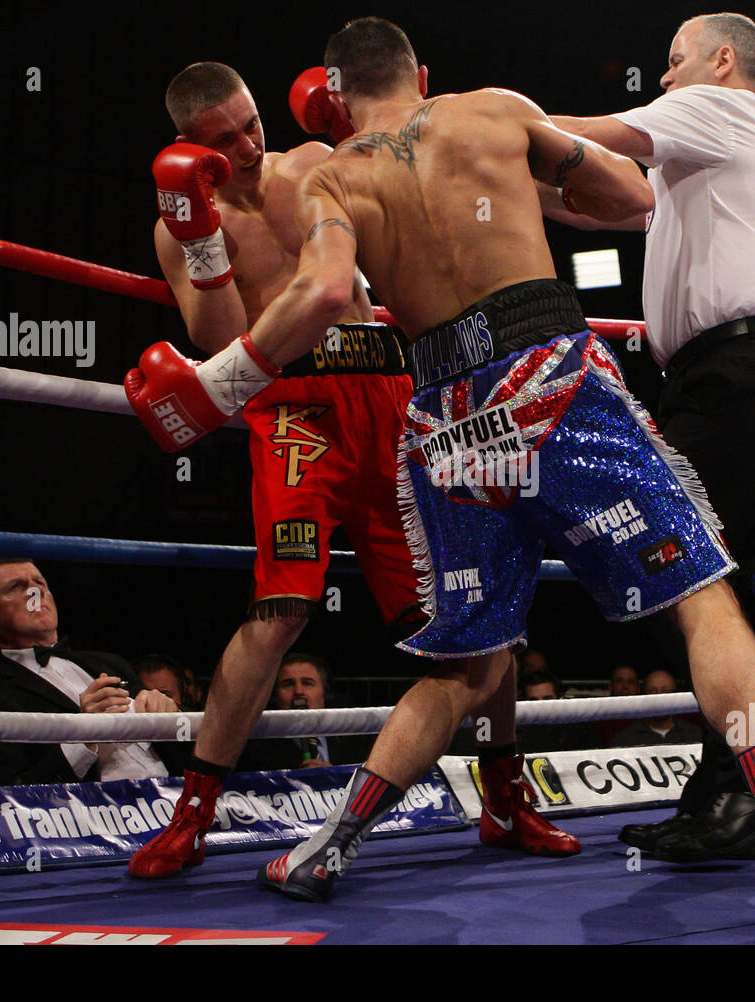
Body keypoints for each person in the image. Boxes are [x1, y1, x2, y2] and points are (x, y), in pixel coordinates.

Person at [128, 17, 755, 928]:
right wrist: (524, 173)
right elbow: (631, 200)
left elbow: (322, 294)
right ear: (422, 72)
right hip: (550, 376)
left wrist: (213, 391)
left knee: (464, 660)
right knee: (701, 591)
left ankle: (327, 847)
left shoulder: (331, 174)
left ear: (332, 97)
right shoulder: (492, 112)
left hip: (442, 415)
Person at [127, 61, 577, 878]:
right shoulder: (180, 224)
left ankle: (505, 799)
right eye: (223, 141)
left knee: (470, 613)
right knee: (281, 612)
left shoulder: (312, 165)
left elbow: (412, 217)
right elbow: (219, 340)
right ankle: (191, 816)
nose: (248, 146)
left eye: (251, 123)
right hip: (295, 416)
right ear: (190, 146)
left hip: (392, 397)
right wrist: (201, 235)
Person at [545, 12, 755, 865]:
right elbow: (595, 199)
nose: (664, 80)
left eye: (674, 63)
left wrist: (467, 122)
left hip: (742, 383)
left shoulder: (726, 111)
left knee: (683, 583)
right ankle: (721, 795)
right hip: (729, 385)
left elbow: (587, 136)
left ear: (722, 61)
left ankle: (746, 795)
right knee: (706, 589)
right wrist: (480, 191)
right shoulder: (707, 158)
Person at [0, 558, 184, 786]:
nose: (35, 591)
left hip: (176, 798)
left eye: (40, 583)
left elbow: (187, 746)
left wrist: (168, 713)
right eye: (17, 587)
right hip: (93, 815)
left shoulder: (109, 663)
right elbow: (9, 795)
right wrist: (84, 736)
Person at [611, 670, 705, 747]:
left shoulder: (696, 736)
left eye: (666, 691)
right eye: (652, 691)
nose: (659, 696)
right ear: (644, 695)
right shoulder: (625, 739)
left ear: (675, 696)